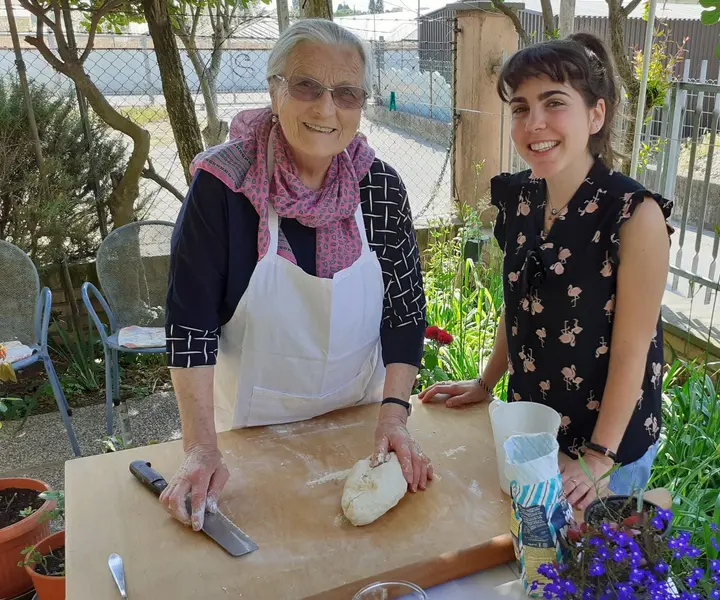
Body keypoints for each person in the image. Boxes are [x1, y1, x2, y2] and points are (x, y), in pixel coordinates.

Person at [161, 18, 433, 531]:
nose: (326, 109)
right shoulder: (226, 187)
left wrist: (395, 416)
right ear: (274, 90)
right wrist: (199, 449)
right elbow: (190, 324)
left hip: (360, 425)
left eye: (347, 93)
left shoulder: (378, 187)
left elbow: (405, 309)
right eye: (307, 86)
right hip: (250, 437)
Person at [419, 33, 673, 510]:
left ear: (596, 114)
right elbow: (517, 303)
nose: (534, 122)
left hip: (609, 446)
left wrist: (597, 457)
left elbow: (632, 349)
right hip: (532, 428)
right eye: (520, 108)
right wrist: (485, 382)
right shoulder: (519, 197)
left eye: (554, 103)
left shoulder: (634, 215)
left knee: (589, 574)